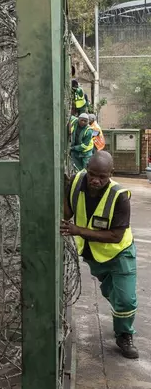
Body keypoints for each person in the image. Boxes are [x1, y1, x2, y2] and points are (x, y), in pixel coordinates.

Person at [61, 151, 138, 359]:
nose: (95, 180)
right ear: (87, 169)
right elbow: (67, 213)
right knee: (113, 294)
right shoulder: (77, 181)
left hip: (119, 252)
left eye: (102, 176)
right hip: (93, 255)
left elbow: (115, 235)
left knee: (126, 299)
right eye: (92, 174)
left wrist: (79, 231)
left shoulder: (120, 196)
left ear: (111, 173)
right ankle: (121, 317)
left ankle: (124, 335)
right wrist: (62, 190)